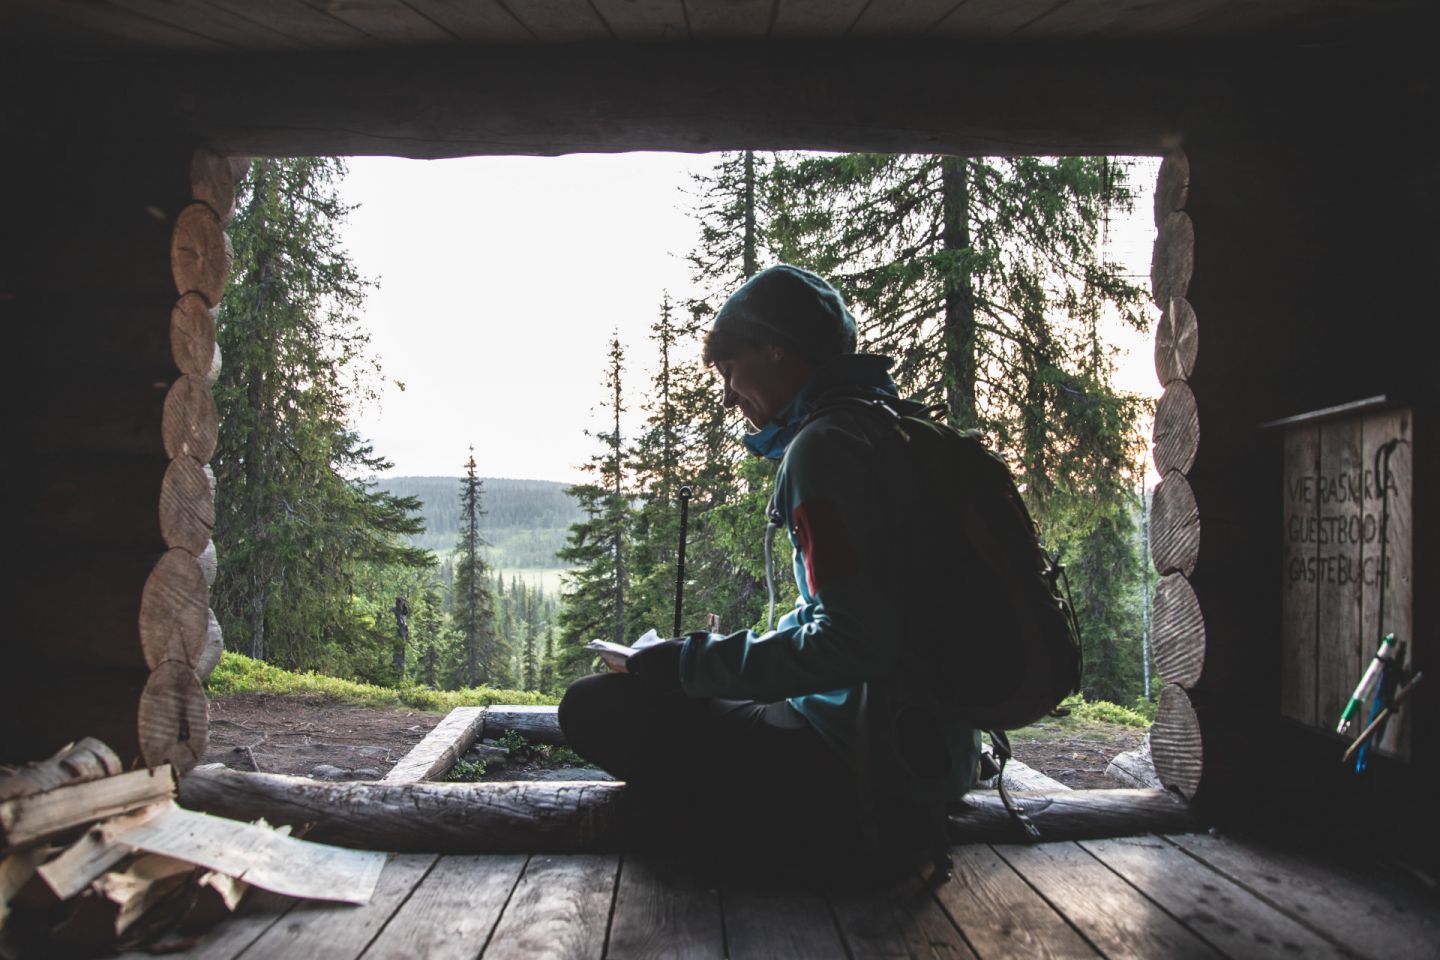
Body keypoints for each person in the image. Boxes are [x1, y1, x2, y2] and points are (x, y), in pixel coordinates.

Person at [558, 264, 981, 864]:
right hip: (927, 752)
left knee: (593, 706)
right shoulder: (894, 430)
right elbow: (850, 614)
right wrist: (697, 656)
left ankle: (776, 837)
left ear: (776, 350)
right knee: (686, 693)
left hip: (863, 767)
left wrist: (687, 665)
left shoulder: (824, 449)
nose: (729, 395)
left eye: (731, 370)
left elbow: (851, 643)